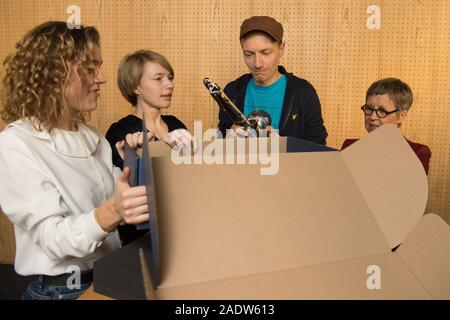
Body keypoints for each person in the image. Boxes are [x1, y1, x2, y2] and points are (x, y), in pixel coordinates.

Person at [0, 21, 150, 300]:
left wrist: (137, 163)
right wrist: (114, 211)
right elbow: (52, 239)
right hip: (62, 290)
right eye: (89, 68)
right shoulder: (16, 143)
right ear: (53, 74)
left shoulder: (91, 138)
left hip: (110, 277)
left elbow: (115, 199)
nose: (102, 78)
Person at [106, 50, 195, 245]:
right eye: (158, 79)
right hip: (141, 239)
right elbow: (127, 188)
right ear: (136, 87)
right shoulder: (120, 132)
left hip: (180, 230)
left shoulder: (176, 125)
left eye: (169, 78)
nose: (169, 85)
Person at [218, 16, 328, 145]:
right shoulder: (231, 91)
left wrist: (282, 145)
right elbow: (219, 151)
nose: (257, 64)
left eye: (265, 53)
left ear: (281, 49)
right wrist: (226, 143)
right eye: (249, 54)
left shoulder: (303, 93)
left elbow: (318, 150)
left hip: (289, 166)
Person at [341, 78, 431, 174]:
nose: (372, 117)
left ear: (401, 116)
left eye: (382, 111)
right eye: (369, 108)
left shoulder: (418, 152)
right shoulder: (349, 147)